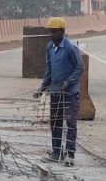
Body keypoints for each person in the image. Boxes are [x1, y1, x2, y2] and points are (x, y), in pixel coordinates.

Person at [33, 17, 84, 167]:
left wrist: (68, 83)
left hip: (69, 93)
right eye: (50, 32)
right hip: (55, 92)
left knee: (70, 123)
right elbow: (49, 69)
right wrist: (42, 88)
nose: (52, 35)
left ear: (62, 31)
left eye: (55, 32)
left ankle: (69, 154)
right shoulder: (49, 47)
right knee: (55, 122)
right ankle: (56, 152)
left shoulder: (70, 47)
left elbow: (80, 67)